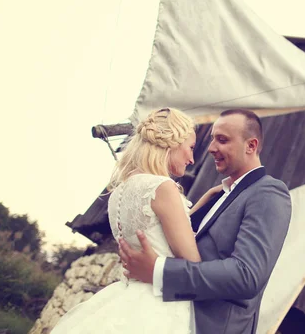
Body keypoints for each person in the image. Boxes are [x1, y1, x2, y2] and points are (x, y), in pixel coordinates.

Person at [119, 109, 292, 334]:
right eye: (212, 139)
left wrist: (159, 270)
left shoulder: (268, 192)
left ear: (250, 146)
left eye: (222, 140)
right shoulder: (216, 195)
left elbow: (247, 275)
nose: (210, 148)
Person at [51, 107, 221, 334]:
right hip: (158, 305)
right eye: (190, 148)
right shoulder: (163, 188)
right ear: (171, 143)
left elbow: (159, 229)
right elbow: (193, 263)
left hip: (127, 295)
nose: (192, 158)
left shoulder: (120, 191)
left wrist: (207, 197)